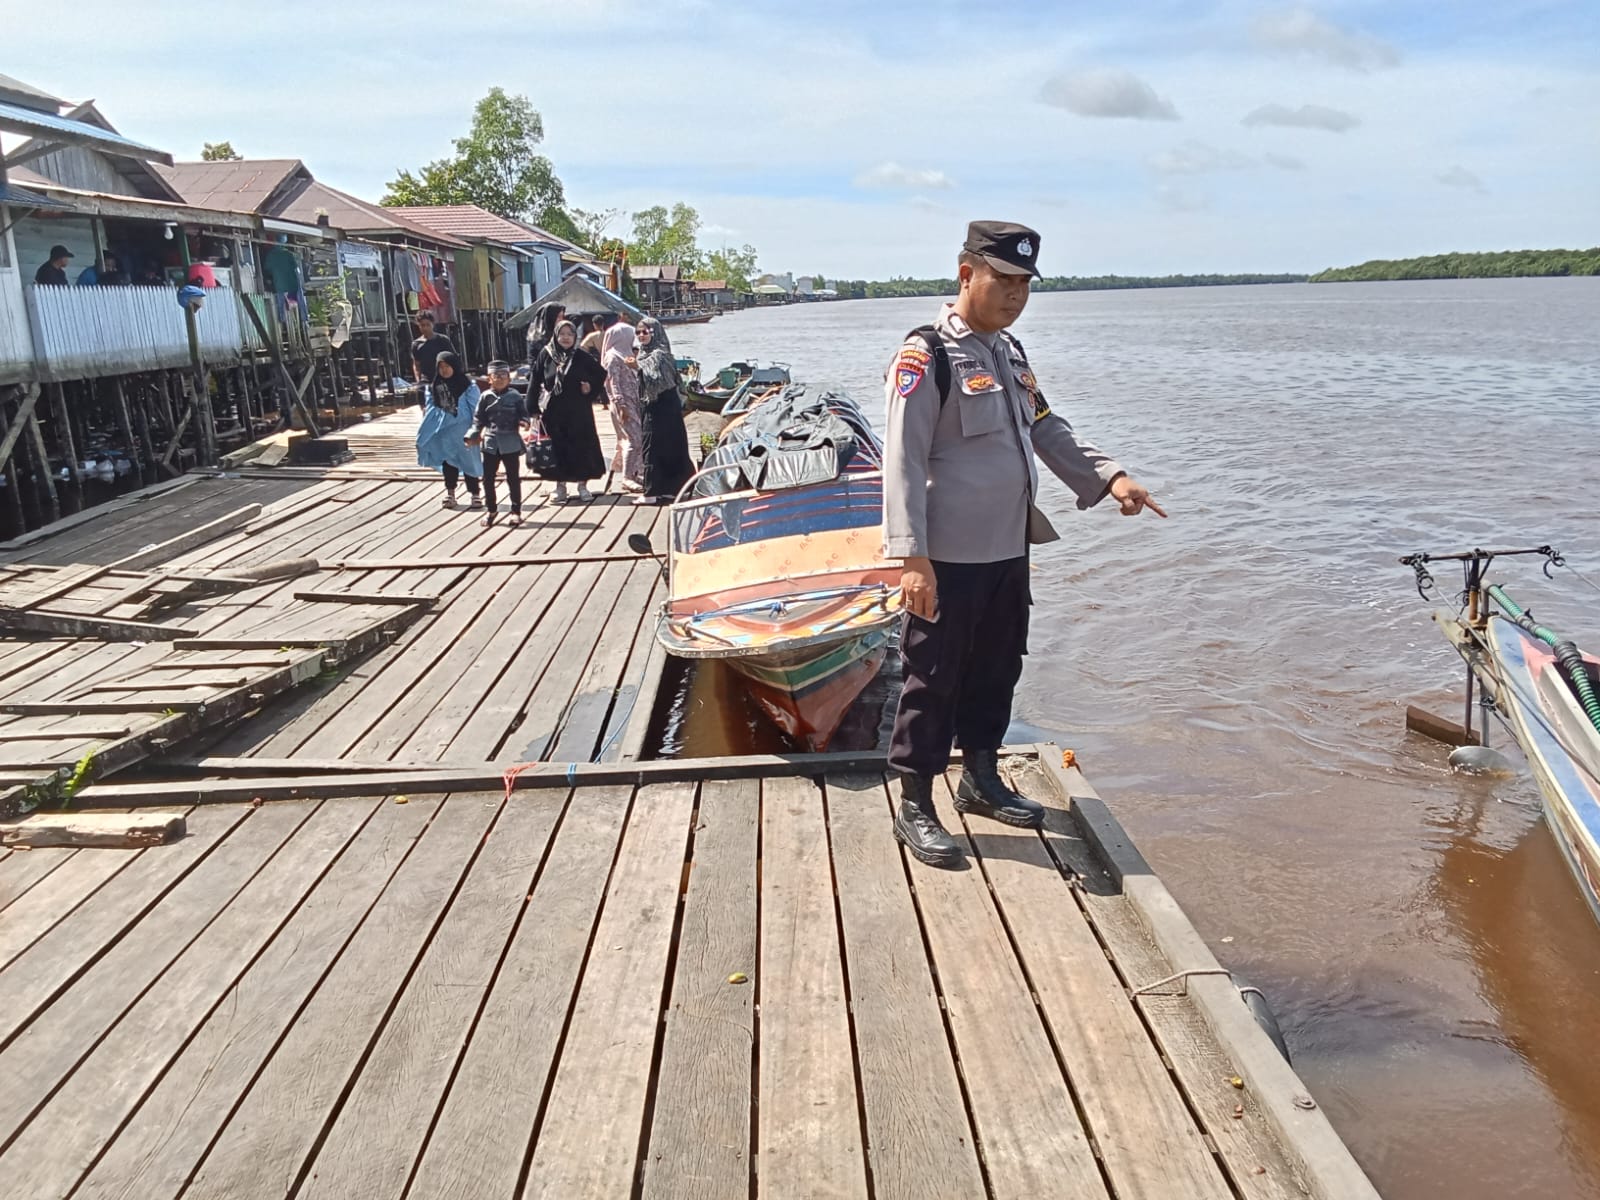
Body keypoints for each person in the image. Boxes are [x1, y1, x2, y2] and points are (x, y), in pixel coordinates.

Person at [883, 220, 1166, 868]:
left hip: (1009, 549)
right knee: (932, 678)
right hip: (947, 557)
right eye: (1003, 280)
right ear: (966, 275)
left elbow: (1046, 426)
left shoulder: (1008, 354)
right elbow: (901, 459)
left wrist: (1110, 476)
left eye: (1024, 285)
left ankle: (980, 779)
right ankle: (917, 804)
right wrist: (911, 557)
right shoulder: (926, 355)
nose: (1015, 295)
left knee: (997, 668)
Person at [533, 319, 608, 503]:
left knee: (581, 447)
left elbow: (601, 374)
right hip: (554, 411)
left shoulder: (580, 356)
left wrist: (590, 389)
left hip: (578, 410)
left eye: (570, 334)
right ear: (556, 335)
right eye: (562, 334)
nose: (566, 338)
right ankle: (560, 487)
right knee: (558, 448)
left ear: (575, 337)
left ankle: (583, 486)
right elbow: (535, 380)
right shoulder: (546, 354)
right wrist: (532, 408)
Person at [632, 316, 694, 505]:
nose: (641, 335)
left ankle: (651, 492)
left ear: (655, 332)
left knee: (654, 446)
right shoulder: (645, 353)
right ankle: (669, 489)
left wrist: (637, 367)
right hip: (658, 405)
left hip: (661, 405)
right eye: (638, 332)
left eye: (646, 331)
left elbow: (658, 379)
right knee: (666, 445)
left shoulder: (659, 354)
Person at [416, 350, 482, 509]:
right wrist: (425, 432)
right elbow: (430, 410)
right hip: (444, 432)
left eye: (447, 366)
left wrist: (477, 429)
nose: (444, 370)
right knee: (448, 463)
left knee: (470, 463)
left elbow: (476, 408)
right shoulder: (433, 387)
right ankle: (450, 494)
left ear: (455, 366)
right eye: (441, 367)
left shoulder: (467, 386)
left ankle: (475, 494)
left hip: (464, 431)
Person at [468, 359, 531, 526]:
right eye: (496, 375)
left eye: (504, 375)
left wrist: (524, 422)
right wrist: (473, 433)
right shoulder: (485, 397)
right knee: (488, 478)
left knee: (513, 478)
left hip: (510, 440)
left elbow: (524, 414)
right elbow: (478, 419)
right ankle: (491, 509)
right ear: (489, 379)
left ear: (509, 379)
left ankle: (516, 511)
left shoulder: (515, 396)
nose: (501, 378)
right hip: (490, 442)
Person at [601, 320, 644, 492]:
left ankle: (635, 472)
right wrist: (621, 405)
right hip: (624, 405)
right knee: (634, 439)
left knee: (637, 438)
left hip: (633, 402)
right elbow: (612, 383)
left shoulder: (624, 354)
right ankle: (626, 477)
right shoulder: (612, 357)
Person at [410, 312, 454, 388]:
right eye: (422, 325)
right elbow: (417, 365)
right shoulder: (416, 344)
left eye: (428, 325)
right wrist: (418, 380)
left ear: (432, 324)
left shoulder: (443, 340)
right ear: (419, 326)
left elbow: (453, 360)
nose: (425, 328)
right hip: (426, 381)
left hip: (443, 378)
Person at [524, 301, 565, 366]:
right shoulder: (536, 337)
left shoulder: (561, 333)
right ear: (550, 318)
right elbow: (535, 363)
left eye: (562, 317)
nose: (561, 320)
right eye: (558, 317)